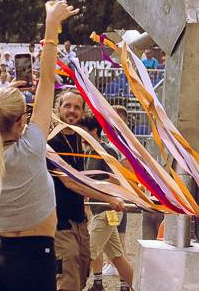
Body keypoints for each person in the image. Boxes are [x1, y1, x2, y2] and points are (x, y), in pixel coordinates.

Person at [0, 0, 77, 291]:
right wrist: (52, 26)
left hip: (1, 259)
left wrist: (2, 97)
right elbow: (47, 85)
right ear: (20, 121)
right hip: (34, 259)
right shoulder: (29, 149)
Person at [51, 90, 123, 291]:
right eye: (67, 106)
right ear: (58, 108)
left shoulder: (77, 140)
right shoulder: (51, 141)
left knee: (82, 276)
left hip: (81, 221)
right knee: (68, 280)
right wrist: (108, 197)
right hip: (61, 223)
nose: (72, 111)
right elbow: (71, 182)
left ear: (82, 112)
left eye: (77, 107)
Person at [78, 116, 133, 291]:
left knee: (88, 253)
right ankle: (134, 286)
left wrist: (92, 185)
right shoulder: (89, 152)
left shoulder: (105, 151)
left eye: (83, 131)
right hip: (101, 210)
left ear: (93, 131)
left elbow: (117, 180)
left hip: (107, 209)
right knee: (117, 255)